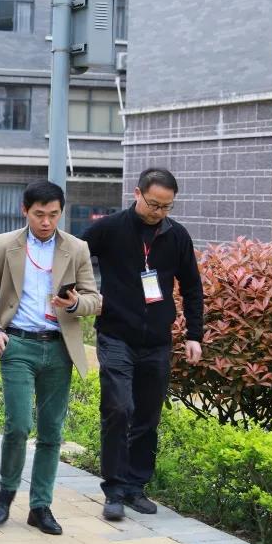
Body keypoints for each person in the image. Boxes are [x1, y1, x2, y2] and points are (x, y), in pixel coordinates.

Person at [0, 180, 101, 535]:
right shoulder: (4, 245)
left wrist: (74, 304)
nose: (46, 222)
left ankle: (40, 505)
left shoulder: (76, 248)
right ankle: (6, 491)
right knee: (17, 424)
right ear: (25, 211)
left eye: (54, 215)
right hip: (17, 344)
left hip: (59, 347)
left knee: (51, 431)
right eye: (39, 214)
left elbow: (94, 299)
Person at [80, 167, 204, 521]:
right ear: (137, 194)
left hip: (157, 342)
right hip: (116, 335)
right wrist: (79, 296)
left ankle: (136, 487)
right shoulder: (109, 228)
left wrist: (194, 335)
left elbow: (192, 287)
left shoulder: (176, 236)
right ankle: (114, 489)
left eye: (166, 206)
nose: (158, 212)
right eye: (153, 204)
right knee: (119, 408)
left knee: (148, 416)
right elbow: (73, 257)